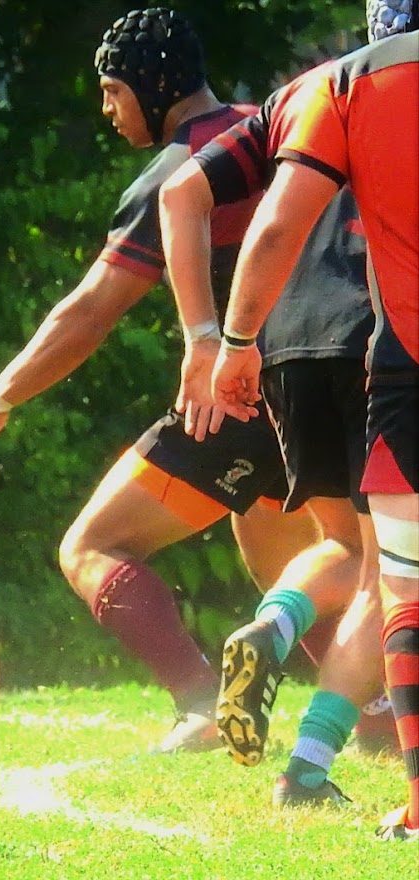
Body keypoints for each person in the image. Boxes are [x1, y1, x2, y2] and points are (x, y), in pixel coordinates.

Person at [0, 7, 312, 752]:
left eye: (112, 90)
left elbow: (89, 313)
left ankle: (201, 705)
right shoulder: (273, 130)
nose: (106, 110)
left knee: (91, 547)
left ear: (153, 83)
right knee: (305, 568)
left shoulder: (182, 170)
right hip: (326, 382)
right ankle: (370, 722)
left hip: (243, 391)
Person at [198, 16, 417, 842]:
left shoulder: (335, 86)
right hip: (362, 336)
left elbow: (240, 208)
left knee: (395, 578)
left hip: (351, 350)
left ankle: (280, 623)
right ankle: (308, 760)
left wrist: (223, 339)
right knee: (375, 572)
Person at [158, 77, 388, 805]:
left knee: (345, 546)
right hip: (381, 337)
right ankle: (308, 767)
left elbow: (179, 194)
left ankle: (270, 625)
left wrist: (208, 338)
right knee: (395, 571)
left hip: (284, 338)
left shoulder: (307, 92)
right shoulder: (405, 89)